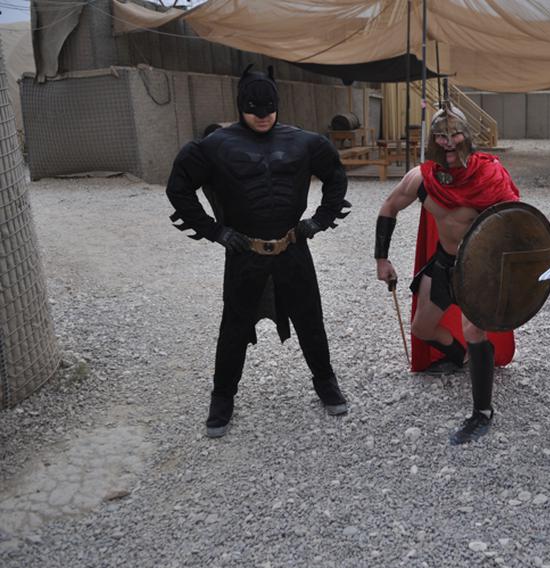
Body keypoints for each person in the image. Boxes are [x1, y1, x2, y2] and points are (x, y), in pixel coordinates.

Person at [166, 65, 352, 438]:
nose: (263, 118)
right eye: (254, 111)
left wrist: (319, 220)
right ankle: (222, 397)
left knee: (310, 320)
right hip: (244, 251)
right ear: (241, 107)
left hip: (291, 247)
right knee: (233, 327)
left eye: (269, 110)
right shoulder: (217, 146)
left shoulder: (302, 141)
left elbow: (335, 174)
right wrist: (215, 231)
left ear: (277, 106)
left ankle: (325, 381)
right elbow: (179, 187)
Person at [374, 103, 520, 445]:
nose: (448, 142)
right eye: (441, 136)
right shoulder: (422, 179)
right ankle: (462, 359)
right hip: (443, 262)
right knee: (422, 328)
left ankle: (482, 412)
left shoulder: (489, 176)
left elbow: (517, 222)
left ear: (467, 137)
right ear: (433, 141)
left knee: (473, 327)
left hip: (479, 268)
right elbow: (389, 207)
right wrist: (382, 259)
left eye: (455, 134)